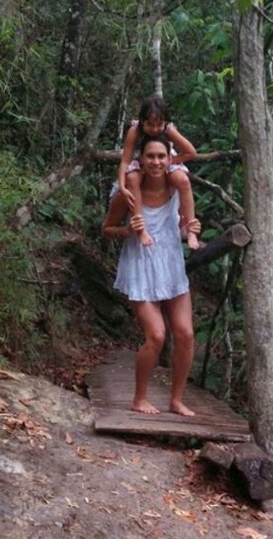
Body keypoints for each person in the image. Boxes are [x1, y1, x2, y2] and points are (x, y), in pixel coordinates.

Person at [102, 133, 201, 416]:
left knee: (185, 333)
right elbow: (106, 229)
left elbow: (182, 225)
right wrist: (128, 230)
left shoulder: (176, 186)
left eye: (161, 156)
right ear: (141, 160)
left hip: (170, 263)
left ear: (170, 160)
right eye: (150, 156)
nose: (156, 162)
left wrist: (191, 229)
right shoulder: (128, 193)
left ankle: (176, 400)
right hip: (140, 265)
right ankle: (139, 398)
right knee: (156, 335)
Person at [116, 95, 200, 250]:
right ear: (142, 121)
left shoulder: (168, 129)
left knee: (183, 180)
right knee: (133, 179)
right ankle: (141, 229)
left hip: (164, 159)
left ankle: (190, 228)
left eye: (158, 124)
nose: (154, 129)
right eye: (150, 124)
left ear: (165, 122)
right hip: (143, 160)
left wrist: (166, 163)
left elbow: (191, 152)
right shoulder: (135, 130)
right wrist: (122, 185)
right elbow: (125, 162)